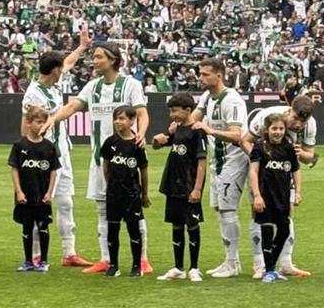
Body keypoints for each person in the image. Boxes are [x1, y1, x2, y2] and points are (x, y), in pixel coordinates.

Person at [40, 41, 149, 274]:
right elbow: (72, 107)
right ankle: (106, 259)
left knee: (133, 210)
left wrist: (142, 132)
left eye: (99, 57)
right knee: (103, 209)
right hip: (101, 158)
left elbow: (141, 112)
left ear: (112, 60)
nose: (94, 61)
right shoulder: (92, 87)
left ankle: (142, 260)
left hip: (127, 158)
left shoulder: (130, 85)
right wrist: (53, 119)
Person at [21, 31, 92, 268]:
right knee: (41, 203)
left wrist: (81, 48)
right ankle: (36, 253)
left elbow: (68, 62)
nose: (64, 69)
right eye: (60, 68)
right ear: (54, 70)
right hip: (44, 154)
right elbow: (26, 129)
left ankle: (69, 252)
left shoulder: (53, 83)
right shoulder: (34, 94)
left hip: (62, 150)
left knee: (65, 202)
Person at [188, 58, 249, 278]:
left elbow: (237, 135)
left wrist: (209, 130)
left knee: (227, 209)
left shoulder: (231, 100)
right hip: (218, 160)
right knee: (221, 210)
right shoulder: (207, 96)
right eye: (200, 74)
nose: (201, 78)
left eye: (205, 74)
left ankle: (233, 263)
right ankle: (230, 260)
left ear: (219, 75)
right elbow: (194, 117)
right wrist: (180, 122)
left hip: (234, 159)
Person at [243, 94, 316, 278]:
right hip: (262, 173)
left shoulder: (311, 125)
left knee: (287, 214)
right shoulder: (267, 116)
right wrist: (261, 157)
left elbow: (311, 156)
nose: (298, 125)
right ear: (289, 109)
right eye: (295, 119)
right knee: (259, 213)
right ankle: (259, 264)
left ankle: (285, 263)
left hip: (283, 173)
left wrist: (302, 154)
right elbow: (244, 140)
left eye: (303, 121)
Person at [152, 93, 207, 282]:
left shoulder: (197, 130)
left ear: (188, 110)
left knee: (192, 224)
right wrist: (158, 140)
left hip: (189, 185)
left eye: (175, 111)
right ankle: (178, 267)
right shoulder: (176, 129)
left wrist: (197, 188)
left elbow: (202, 161)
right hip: (172, 184)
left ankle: (194, 267)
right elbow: (158, 146)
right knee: (176, 224)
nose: (171, 115)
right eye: (170, 111)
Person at [249, 113, 300, 284]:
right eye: (274, 128)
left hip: (283, 196)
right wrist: (256, 195)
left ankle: (271, 265)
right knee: (267, 231)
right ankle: (269, 270)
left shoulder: (288, 147)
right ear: (267, 130)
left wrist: (298, 192)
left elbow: (295, 170)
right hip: (265, 196)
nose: (277, 132)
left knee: (284, 230)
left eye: (281, 129)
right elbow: (254, 171)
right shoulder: (260, 146)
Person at [100, 106, 149, 277]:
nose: (117, 122)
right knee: (112, 230)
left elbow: (143, 170)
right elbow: (105, 165)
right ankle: (113, 265)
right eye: (116, 118)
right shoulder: (109, 142)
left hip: (132, 195)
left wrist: (145, 193)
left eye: (121, 118)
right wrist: (110, 184)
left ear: (131, 120)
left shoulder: (137, 144)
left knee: (133, 229)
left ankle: (137, 266)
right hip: (114, 194)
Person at [9, 106, 59, 273]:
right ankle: (28, 261)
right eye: (38, 122)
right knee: (27, 227)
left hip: (42, 195)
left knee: (43, 227)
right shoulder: (19, 145)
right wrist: (19, 191)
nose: (42, 125)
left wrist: (49, 192)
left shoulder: (49, 146)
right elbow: (14, 169)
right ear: (29, 123)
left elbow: (53, 170)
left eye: (44, 122)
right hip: (26, 195)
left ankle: (44, 260)